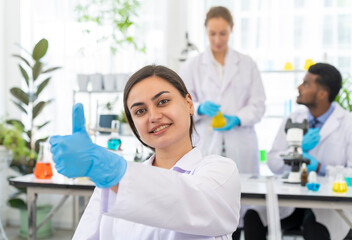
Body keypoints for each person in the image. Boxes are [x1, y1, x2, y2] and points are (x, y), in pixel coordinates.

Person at [50, 65, 241, 240]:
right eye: (140, 111)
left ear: (189, 103)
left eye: (163, 101)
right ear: (133, 124)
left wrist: (116, 173)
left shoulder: (220, 170)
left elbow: (193, 203)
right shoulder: (110, 184)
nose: (154, 116)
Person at [243, 63, 352, 240]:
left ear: (323, 94)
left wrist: (320, 168)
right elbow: (273, 161)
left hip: (329, 204)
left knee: (314, 226)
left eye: (306, 84)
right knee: (253, 216)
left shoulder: (348, 124)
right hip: (291, 199)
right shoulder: (293, 119)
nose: (299, 87)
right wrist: (297, 149)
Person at [179, 6, 266, 175]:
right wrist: (199, 108)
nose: (217, 39)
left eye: (223, 33)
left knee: (244, 194)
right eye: (212, 34)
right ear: (206, 31)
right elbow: (181, 105)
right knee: (206, 191)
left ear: (231, 30)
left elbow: (258, 105)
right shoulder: (192, 66)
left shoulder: (247, 64)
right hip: (206, 140)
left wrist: (238, 118)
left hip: (240, 140)